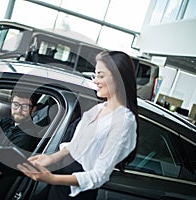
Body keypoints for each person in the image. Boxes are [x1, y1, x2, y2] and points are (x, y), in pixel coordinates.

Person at [17, 51, 139, 199]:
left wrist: (52, 179)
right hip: (62, 181)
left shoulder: (124, 121)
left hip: (76, 192)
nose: (95, 81)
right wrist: (52, 158)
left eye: (101, 76)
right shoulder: (99, 109)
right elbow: (76, 145)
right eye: (95, 75)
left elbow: (99, 176)